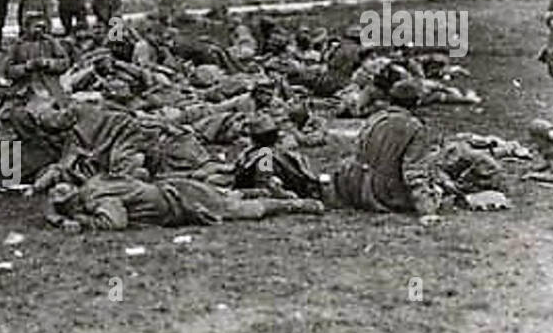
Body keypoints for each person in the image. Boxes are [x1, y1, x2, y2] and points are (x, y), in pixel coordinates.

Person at [329, 78, 443, 224]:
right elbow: (414, 173)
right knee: (438, 191)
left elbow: (354, 153)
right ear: (417, 102)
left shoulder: (375, 118)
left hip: (353, 187)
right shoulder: (415, 127)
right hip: (381, 194)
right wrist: (427, 210)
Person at [45, 174, 322, 232]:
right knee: (226, 197)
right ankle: (264, 190)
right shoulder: (95, 182)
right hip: (174, 186)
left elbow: (116, 222)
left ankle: (296, 205)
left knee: (240, 211)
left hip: (181, 202)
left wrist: (81, 222)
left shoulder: (97, 199)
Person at [7, 11, 71, 101]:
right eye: (36, 27)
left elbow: (65, 63)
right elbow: (8, 70)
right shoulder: (18, 45)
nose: (39, 30)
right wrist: (25, 67)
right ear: (26, 28)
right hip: (24, 85)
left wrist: (48, 63)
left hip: (50, 85)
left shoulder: (50, 42)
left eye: (42, 27)